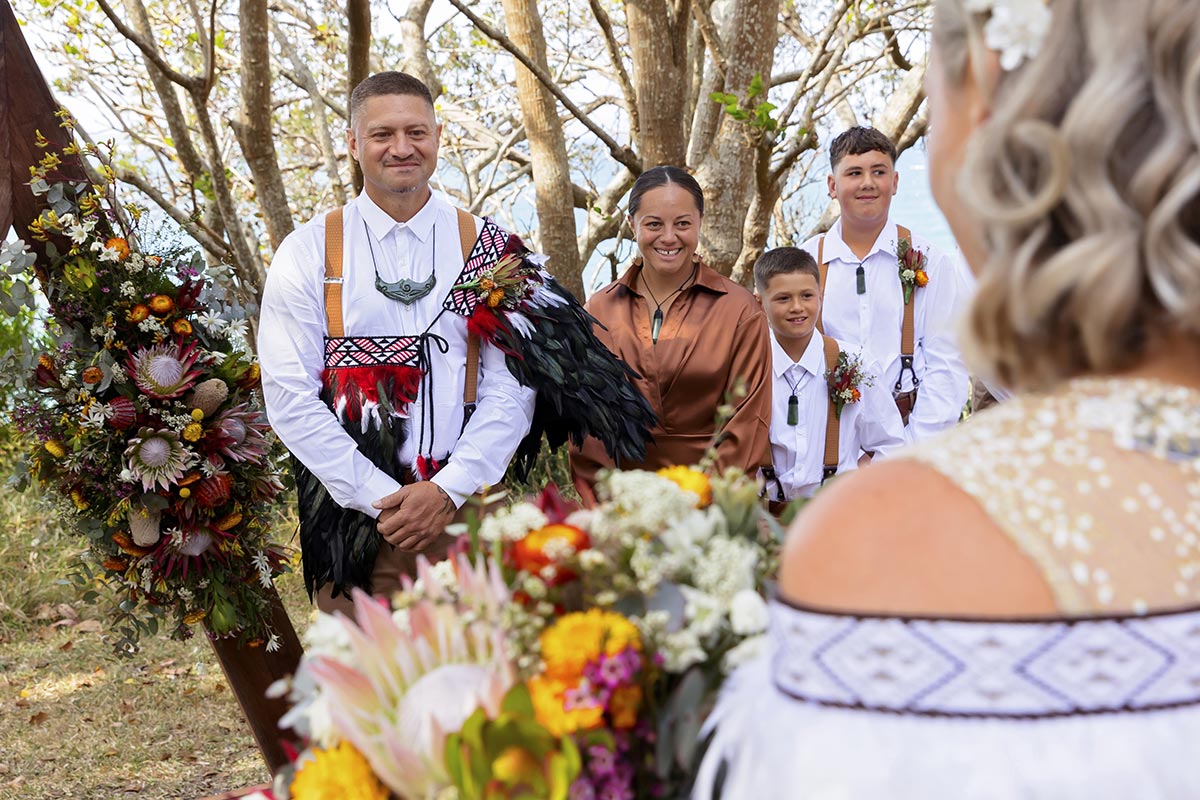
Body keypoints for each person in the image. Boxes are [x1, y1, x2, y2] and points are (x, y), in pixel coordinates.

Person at [694, 0, 1200, 797]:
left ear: (985, 107)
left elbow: (946, 359)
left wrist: (924, 463)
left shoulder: (872, 545)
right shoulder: (809, 266)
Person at [259, 72, 654, 614]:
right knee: (363, 691)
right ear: (353, 144)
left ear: (438, 137)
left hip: (468, 510)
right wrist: (383, 501)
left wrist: (447, 490)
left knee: (483, 686)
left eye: (416, 132)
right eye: (382, 135)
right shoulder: (306, 254)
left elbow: (513, 388)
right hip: (351, 526)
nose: (402, 148)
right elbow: (288, 397)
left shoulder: (490, 248)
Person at [569, 167, 772, 499]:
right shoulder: (600, 309)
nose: (668, 237)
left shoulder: (740, 311)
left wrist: (693, 511)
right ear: (632, 224)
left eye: (682, 223)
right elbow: (589, 431)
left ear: (699, 224)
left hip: (713, 507)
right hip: (622, 510)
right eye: (653, 224)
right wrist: (610, 514)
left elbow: (747, 426)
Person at [800, 126, 969, 443]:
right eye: (854, 173)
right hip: (823, 440)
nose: (867, 183)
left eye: (879, 171)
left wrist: (908, 452)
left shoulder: (932, 260)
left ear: (894, 182)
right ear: (833, 186)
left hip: (912, 437)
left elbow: (947, 367)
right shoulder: (804, 262)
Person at [753, 246, 905, 508]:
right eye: (783, 299)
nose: (797, 307)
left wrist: (861, 486)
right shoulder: (748, 365)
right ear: (759, 301)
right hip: (765, 517)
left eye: (807, 296)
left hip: (838, 513)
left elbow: (891, 445)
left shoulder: (856, 362)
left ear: (821, 296)